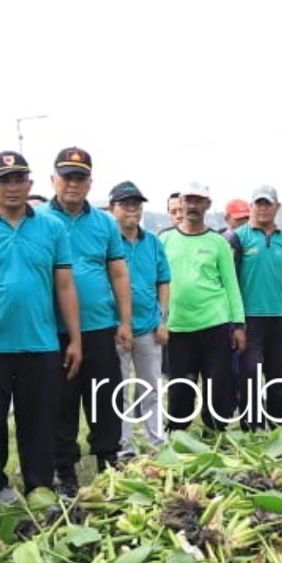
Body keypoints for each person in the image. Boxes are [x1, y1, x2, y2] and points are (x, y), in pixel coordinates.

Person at [0, 150, 81, 521]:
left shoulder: (51, 227)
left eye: (18, 180)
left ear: (30, 184)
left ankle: (41, 492)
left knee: (39, 423)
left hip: (40, 343)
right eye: (3, 180)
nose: (11, 187)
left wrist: (75, 338)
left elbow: (63, 284)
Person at [43, 147, 131, 490]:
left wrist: (124, 321)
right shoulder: (40, 221)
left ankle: (108, 461)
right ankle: (64, 470)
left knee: (104, 399)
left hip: (99, 327)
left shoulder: (104, 224)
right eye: (67, 177)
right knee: (62, 403)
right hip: (56, 331)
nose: (73, 185)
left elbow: (119, 274)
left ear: (90, 183)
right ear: (54, 179)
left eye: (80, 178)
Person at [161, 182, 245, 431]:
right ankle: (177, 435)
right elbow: (157, 283)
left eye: (199, 201)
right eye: (189, 200)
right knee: (179, 389)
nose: (193, 206)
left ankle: (216, 433)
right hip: (178, 328)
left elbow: (231, 285)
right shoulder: (165, 239)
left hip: (214, 325)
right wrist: (159, 320)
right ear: (181, 202)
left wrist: (238, 325)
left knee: (218, 387)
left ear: (207, 205)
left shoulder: (218, 242)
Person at [232, 185, 282, 428]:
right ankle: (252, 428)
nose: (263, 208)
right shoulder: (238, 238)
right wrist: (235, 323)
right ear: (252, 206)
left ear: (277, 207)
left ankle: (278, 427)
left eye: (268, 204)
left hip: (280, 317)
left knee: (279, 376)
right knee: (250, 375)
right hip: (250, 319)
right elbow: (231, 283)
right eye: (259, 204)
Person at [109, 181, 169, 453]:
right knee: (119, 389)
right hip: (115, 328)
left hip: (148, 326)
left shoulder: (153, 243)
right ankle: (124, 445)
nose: (132, 209)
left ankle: (157, 442)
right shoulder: (107, 241)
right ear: (113, 208)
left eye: (136, 204)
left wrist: (163, 321)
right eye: (125, 204)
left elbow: (163, 281)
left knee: (150, 388)